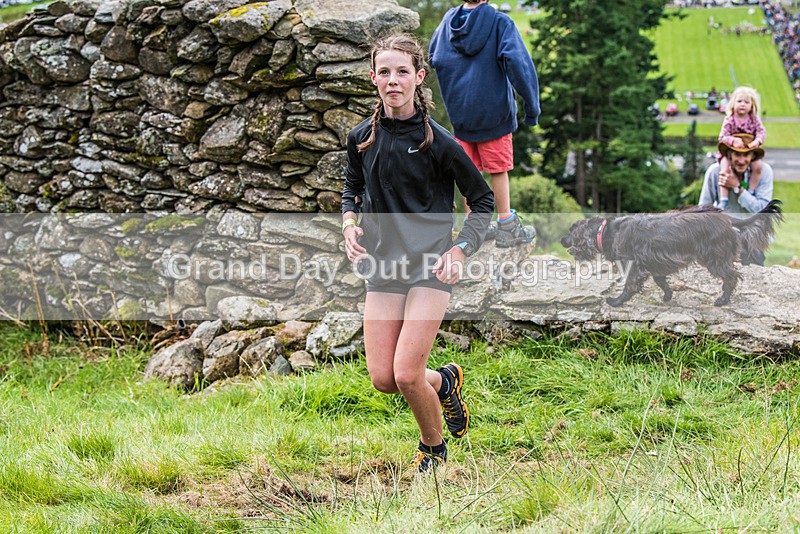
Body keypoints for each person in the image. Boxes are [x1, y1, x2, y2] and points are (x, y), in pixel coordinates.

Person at [341, 34, 494, 473]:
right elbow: (352, 187)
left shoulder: (440, 142)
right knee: (384, 379)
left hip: (432, 265)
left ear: (418, 77)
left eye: (402, 71)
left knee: (407, 374)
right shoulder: (360, 138)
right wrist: (349, 225)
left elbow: (482, 202)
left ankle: (433, 448)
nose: (393, 80)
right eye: (384, 72)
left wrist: (462, 248)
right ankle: (445, 382)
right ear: (373, 78)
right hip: (384, 266)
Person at [429, 0, 539, 248]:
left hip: (460, 115)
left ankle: (474, 225)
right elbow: (520, 66)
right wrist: (532, 109)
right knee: (498, 169)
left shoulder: (447, 23)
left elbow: (433, 57)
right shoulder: (501, 23)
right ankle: (506, 224)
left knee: (469, 172)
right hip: (494, 115)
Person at [699, 132, 774, 265]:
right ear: (729, 155)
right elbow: (703, 210)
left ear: (752, 156)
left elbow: (762, 209)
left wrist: (737, 188)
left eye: (746, 155)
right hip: (723, 235)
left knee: (754, 264)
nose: (741, 160)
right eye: (737, 154)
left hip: (752, 235)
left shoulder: (764, 172)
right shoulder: (715, 172)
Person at [716, 86, 766, 209]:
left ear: (752, 105)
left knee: (758, 166)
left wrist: (757, 141)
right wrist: (733, 141)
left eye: (746, 102)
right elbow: (722, 137)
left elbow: (761, 132)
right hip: (730, 152)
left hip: (749, 148)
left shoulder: (754, 119)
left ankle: (751, 191)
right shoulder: (730, 119)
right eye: (739, 101)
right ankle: (723, 199)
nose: (742, 104)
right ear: (733, 104)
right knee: (724, 169)